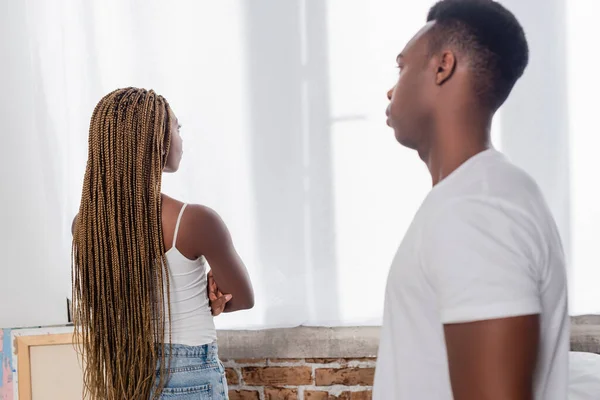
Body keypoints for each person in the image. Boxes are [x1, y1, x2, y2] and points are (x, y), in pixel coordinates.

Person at [373, 1, 569, 399]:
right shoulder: (478, 197)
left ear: (442, 66)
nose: (391, 89)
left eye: (402, 67)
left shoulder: (476, 210)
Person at [71, 87, 254, 399]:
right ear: (156, 138)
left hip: (125, 374)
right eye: (177, 128)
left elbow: (108, 300)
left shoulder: (85, 225)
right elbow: (244, 298)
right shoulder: (195, 220)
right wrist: (213, 302)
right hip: (188, 373)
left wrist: (208, 301)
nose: (181, 140)